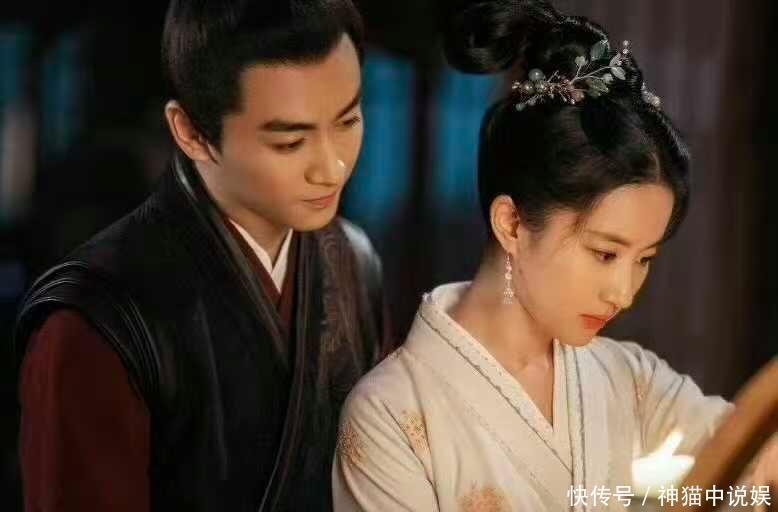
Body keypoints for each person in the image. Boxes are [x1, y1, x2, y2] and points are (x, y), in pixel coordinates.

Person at [333, 1, 774, 510]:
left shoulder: (631, 380)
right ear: (512, 224)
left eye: (644, 259)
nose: (624, 293)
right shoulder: (391, 416)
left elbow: (751, 458)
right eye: (605, 254)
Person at [13, 0, 390, 510]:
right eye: (290, 142)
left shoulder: (354, 264)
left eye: (348, 121)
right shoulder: (96, 319)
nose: (332, 168)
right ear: (191, 132)